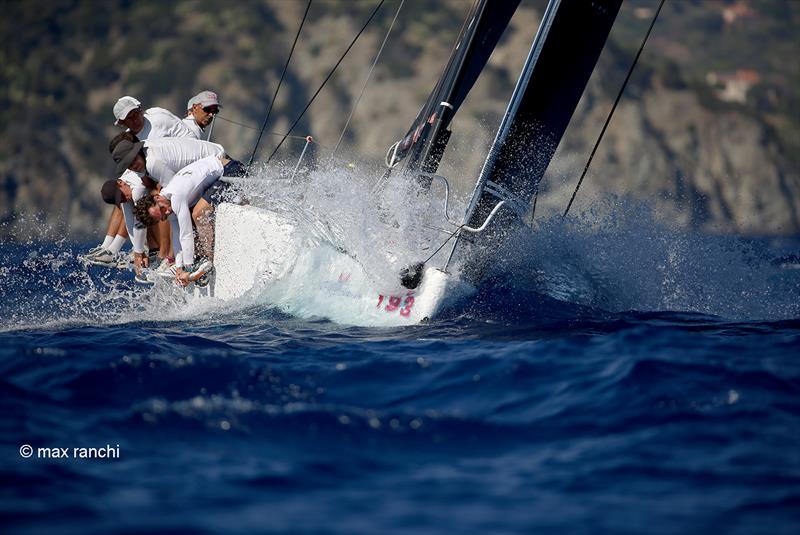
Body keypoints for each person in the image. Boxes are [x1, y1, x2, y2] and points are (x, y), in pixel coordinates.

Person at [83, 96, 201, 265]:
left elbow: (190, 140)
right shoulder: (129, 138)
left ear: (140, 110)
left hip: (184, 162)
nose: (135, 119)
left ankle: (164, 256)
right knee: (124, 196)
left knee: (153, 194)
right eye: (129, 118)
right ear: (122, 123)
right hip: (155, 166)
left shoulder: (158, 120)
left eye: (136, 113)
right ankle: (111, 248)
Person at [133, 155, 234, 286]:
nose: (167, 212)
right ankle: (202, 260)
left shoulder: (176, 196)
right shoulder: (167, 202)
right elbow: (177, 235)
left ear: (157, 197)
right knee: (192, 215)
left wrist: (188, 268)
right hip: (219, 178)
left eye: (163, 209)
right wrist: (179, 266)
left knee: (198, 214)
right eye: (163, 217)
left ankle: (209, 261)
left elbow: (186, 234)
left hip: (230, 170)